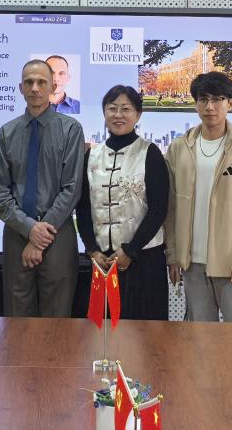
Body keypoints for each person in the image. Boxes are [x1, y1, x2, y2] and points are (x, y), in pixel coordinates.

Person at [165, 70, 232, 323]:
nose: (210, 107)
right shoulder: (180, 148)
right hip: (192, 263)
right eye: (203, 99)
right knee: (199, 338)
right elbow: (171, 208)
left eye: (217, 99)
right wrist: (173, 255)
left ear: (231, 104)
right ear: (195, 104)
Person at [0, 60, 86, 318]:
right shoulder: (6, 134)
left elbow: (71, 189)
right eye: (29, 82)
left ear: (53, 86)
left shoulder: (71, 130)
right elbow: (0, 192)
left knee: (57, 318)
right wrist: (29, 229)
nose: (35, 88)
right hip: (16, 235)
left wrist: (40, 233)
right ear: (20, 87)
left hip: (58, 234)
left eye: (41, 82)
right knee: (16, 317)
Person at [75, 85, 170, 320]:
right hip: (102, 260)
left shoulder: (150, 153)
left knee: (143, 332)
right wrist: (92, 250)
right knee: (102, 330)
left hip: (142, 259)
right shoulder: (91, 156)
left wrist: (131, 250)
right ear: (104, 112)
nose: (118, 115)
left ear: (138, 114)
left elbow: (159, 209)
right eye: (112, 108)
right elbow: (83, 207)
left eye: (126, 109)